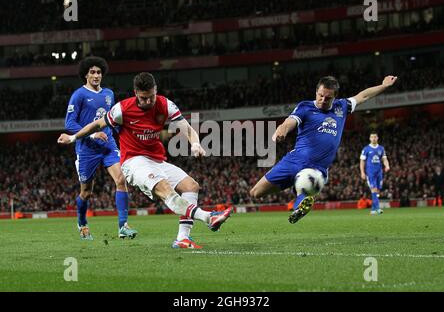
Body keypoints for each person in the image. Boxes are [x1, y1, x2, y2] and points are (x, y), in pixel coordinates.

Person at [58, 72, 233, 248]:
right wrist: (73, 138)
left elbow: (186, 128)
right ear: (136, 93)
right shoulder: (122, 109)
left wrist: (195, 143)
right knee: (166, 190)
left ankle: (182, 238)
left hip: (156, 160)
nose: (148, 101)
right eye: (143, 98)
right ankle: (208, 217)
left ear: (155, 90)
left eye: (151, 97)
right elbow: (96, 125)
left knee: (191, 186)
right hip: (133, 162)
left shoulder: (165, 104)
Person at [250, 75, 398, 223]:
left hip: (317, 169)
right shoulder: (305, 107)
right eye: (320, 95)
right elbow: (290, 121)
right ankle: (296, 185)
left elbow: (363, 96)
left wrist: (384, 85)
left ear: (335, 97)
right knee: (256, 193)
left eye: (328, 98)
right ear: (316, 92)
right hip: (294, 161)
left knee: (305, 191)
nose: (323, 100)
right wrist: (282, 129)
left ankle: (302, 198)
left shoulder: (342, 107)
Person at [64, 56, 137, 240]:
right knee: (86, 192)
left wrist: (126, 132)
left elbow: (112, 120)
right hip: (87, 148)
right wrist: (92, 133)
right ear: (86, 75)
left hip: (108, 145)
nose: (96, 75)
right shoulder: (79, 95)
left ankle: (123, 226)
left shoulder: (109, 94)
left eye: (99, 72)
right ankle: (82, 223)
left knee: (121, 179)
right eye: (92, 72)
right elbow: (69, 123)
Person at [360, 132, 390, 215]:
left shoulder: (381, 148)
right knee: (373, 189)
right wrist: (362, 172)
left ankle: (373, 209)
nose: (373, 138)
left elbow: (384, 159)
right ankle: (377, 208)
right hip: (370, 172)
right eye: (372, 137)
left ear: (377, 138)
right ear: (370, 138)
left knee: (377, 190)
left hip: (379, 171)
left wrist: (387, 166)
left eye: (375, 137)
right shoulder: (366, 149)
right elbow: (362, 161)